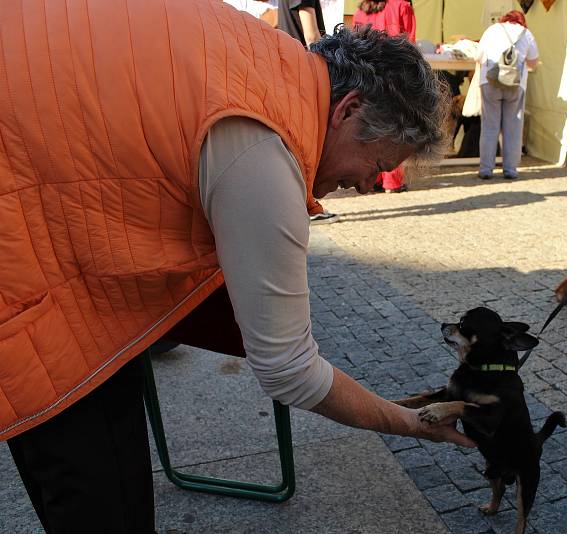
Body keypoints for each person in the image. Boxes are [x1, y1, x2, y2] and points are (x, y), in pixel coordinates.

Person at [0, 2, 469, 529]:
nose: (367, 184)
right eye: (379, 164)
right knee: (101, 491)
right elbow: (289, 371)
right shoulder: (265, 147)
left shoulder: (267, 60)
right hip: (24, 250)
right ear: (349, 109)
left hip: (36, 182)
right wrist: (410, 423)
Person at [277, 0, 340, 222]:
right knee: (307, 141)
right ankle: (307, 204)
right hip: (301, 71)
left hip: (289, 68)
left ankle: (297, 203)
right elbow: (312, 36)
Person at [353, 0, 416, 193]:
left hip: (368, 74)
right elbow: (410, 44)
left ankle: (371, 180)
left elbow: (353, 44)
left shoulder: (360, 11)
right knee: (395, 127)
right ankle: (392, 181)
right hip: (395, 74)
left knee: (371, 127)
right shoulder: (402, 6)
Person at [475, 10, 539, 180]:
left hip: (490, 81)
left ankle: (486, 169)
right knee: (513, 128)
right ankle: (510, 170)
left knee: (489, 126)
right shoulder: (527, 34)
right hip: (515, 85)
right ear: (521, 21)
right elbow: (533, 63)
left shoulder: (492, 30)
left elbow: (479, 57)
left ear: (505, 19)